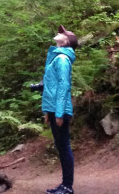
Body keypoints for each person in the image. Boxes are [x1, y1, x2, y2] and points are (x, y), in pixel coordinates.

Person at [42, 25, 78, 194]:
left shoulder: (62, 59)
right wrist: (47, 112)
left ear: (66, 41)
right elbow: (50, 86)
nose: (59, 33)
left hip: (60, 109)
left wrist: (58, 112)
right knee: (61, 146)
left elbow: (63, 86)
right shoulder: (56, 58)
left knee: (64, 146)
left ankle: (67, 186)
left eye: (62, 33)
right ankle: (64, 185)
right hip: (53, 108)